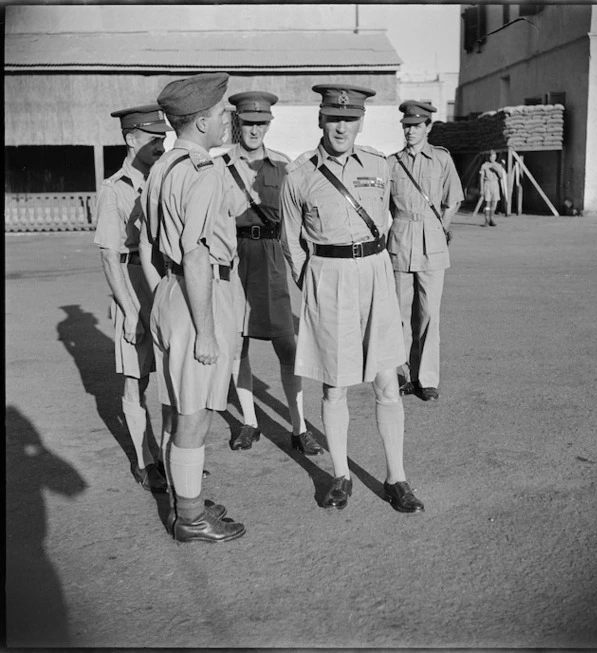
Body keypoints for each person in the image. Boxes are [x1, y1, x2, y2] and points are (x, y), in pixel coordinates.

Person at [280, 83, 424, 513]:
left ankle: (396, 477)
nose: (341, 126)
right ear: (320, 119)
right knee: (334, 385)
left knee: (386, 382)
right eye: (333, 118)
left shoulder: (382, 166)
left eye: (349, 119)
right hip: (328, 278)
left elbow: (395, 217)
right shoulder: (300, 175)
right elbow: (291, 240)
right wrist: (315, 284)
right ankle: (340, 475)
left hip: (375, 277)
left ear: (361, 121)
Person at [140, 72, 246, 544]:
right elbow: (197, 253)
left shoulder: (163, 165)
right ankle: (190, 518)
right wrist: (205, 331)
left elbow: (149, 241)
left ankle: (190, 502)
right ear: (202, 121)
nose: (228, 118)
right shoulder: (201, 171)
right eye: (223, 112)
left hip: (170, 292)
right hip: (197, 297)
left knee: (176, 407)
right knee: (194, 414)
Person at [219, 91, 322, 456]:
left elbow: (298, 221)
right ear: (238, 123)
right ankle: (249, 421)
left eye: (261, 123)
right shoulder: (219, 167)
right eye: (248, 123)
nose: (254, 130)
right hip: (233, 260)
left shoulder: (284, 166)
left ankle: (299, 427)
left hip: (273, 257)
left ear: (269, 125)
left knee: (287, 346)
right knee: (236, 346)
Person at [93, 104, 170, 493]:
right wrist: (128, 310)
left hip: (164, 282)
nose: (161, 145)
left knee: (172, 379)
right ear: (130, 139)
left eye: (164, 139)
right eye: (154, 139)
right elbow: (109, 255)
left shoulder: (162, 180)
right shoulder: (114, 190)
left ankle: (170, 459)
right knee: (135, 382)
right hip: (132, 284)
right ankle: (144, 462)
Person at [387, 100, 464, 402]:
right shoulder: (391, 163)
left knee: (429, 313)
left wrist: (441, 226)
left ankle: (427, 379)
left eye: (416, 125)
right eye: (406, 125)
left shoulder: (442, 160)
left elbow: (453, 198)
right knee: (400, 314)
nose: (410, 130)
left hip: (431, 242)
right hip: (401, 238)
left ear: (428, 127)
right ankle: (403, 374)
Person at [479, 149, 506, 226]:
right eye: (491, 157)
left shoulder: (498, 165)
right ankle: (486, 220)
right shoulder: (484, 165)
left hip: (495, 184)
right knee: (487, 202)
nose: (493, 158)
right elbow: (481, 178)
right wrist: (481, 189)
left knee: (494, 202)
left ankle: (492, 219)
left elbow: (501, 176)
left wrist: (496, 170)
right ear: (489, 157)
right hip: (487, 184)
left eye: (494, 157)